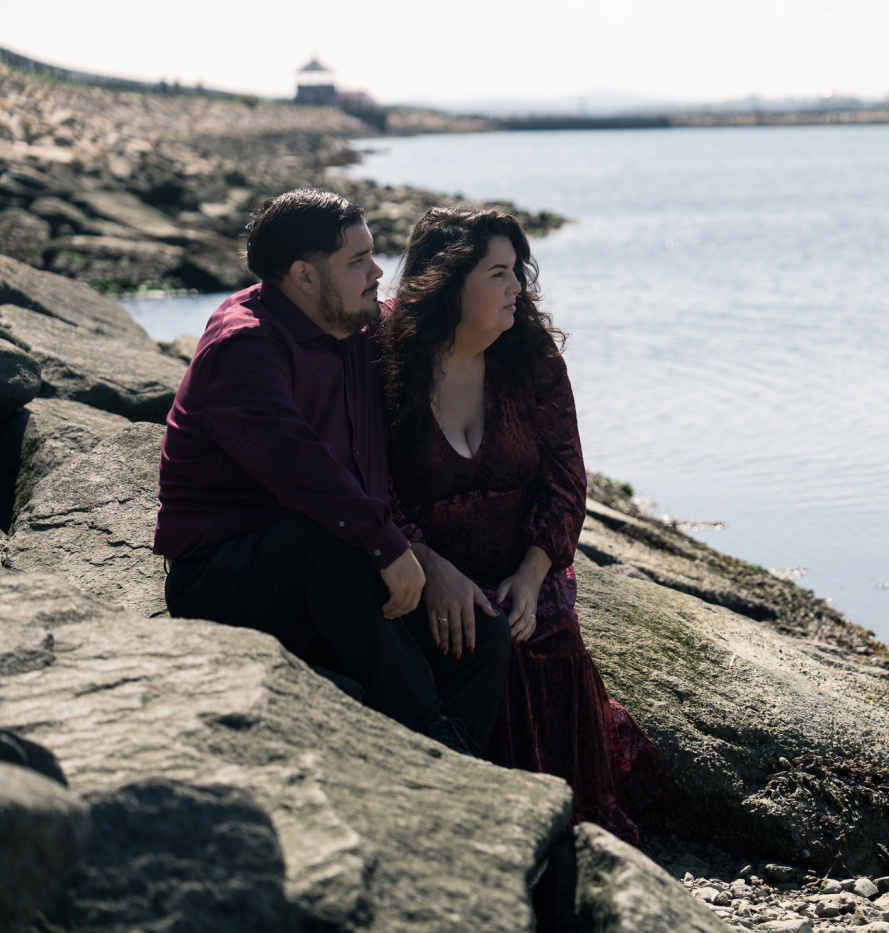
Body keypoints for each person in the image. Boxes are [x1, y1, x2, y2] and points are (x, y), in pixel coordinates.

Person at [154, 188, 509, 758]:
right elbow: (302, 469)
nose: (376, 272)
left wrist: (519, 324)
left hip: (337, 569)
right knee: (324, 536)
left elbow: (450, 326)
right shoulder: (244, 346)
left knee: (479, 633)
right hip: (228, 583)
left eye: (373, 255)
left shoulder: (357, 325)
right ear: (304, 276)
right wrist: (391, 547)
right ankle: (433, 742)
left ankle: (454, 766)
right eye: (356, 261)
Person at [378, 206, 670, 840]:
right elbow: (372, 486)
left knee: (540, 651)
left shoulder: (530, 354)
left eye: (519, 271)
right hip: (427, 580)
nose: (519, 288)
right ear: (449, 282)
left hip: (524, 578)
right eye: (499, 273)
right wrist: (429, 565)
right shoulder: (383, 360)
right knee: (463, 650)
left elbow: (566, 480)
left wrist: (534, 575)